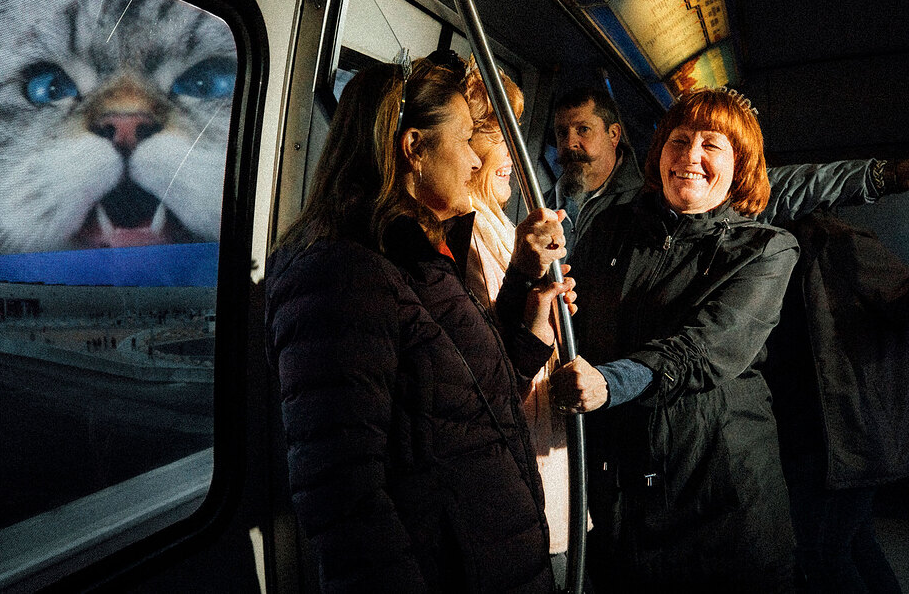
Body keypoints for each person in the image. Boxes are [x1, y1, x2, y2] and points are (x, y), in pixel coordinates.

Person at [265, 53, 573, 592]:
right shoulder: (341, 276)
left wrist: (528, 313)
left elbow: (472, 389)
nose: (476, 162)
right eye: (463, 141)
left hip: (490, 551)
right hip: (451, 567)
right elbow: (343, 494)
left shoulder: (424, 253)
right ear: (414, 149)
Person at [508, 88, 800, 591]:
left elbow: (705, 348)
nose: (690, 156)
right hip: (626, 489)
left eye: (712, 145)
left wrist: (610, 382)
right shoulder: (612, 230)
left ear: (741, 166)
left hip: (717, 494)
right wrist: (528, 271)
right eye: (679, 140)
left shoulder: (765, 250)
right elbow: (565, 315)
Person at [460, 63, 573, 589]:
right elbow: (486, 368)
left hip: (542, 451)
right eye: (500, 134)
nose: (515, 151)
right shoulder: (466, 235)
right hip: (515, 461)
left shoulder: (500, 224)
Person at [547, 87, 909, 249]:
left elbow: (799, 185)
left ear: (614, 134)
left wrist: (884, 176)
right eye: (562, 132)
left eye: (583, 129)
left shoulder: (656, 193)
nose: (570, 142)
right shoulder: (543, 198)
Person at [765, 211, 909, 593]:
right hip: (813, 431)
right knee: (853, 543)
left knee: (825, 552)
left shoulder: (841, 244)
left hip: (841, 433)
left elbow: (900, 299)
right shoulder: (765, 247)